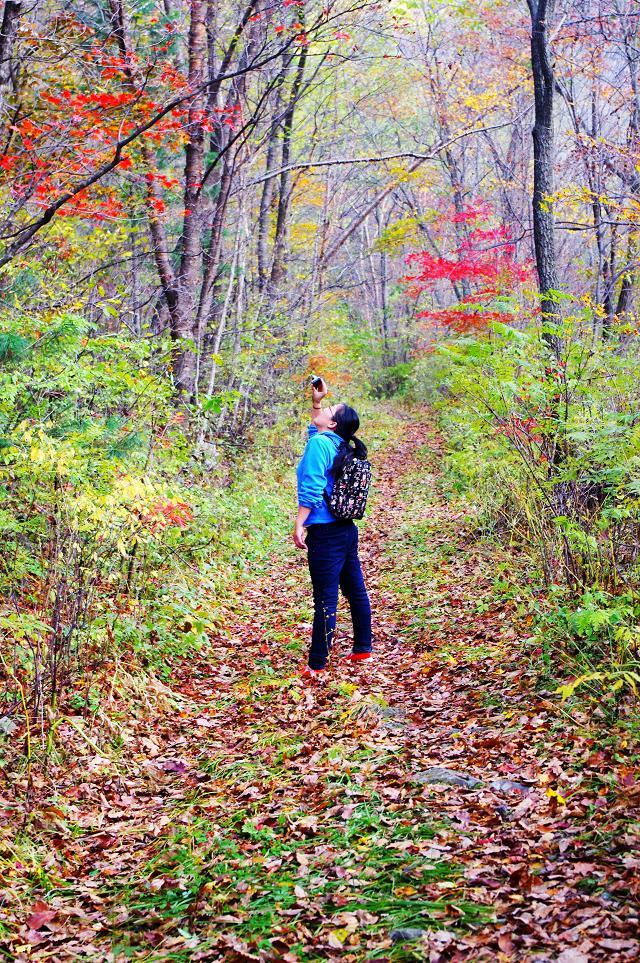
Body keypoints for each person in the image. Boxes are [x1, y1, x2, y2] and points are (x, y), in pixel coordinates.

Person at [294, 377, 373, 679]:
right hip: (346, 529)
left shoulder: (319, 444)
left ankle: (317, 664)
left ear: (334, 423)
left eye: (330, 408)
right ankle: (363, 649)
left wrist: (300, 523)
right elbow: (315, 427)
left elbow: (312, 489)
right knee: (355, 590)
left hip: (325, 533)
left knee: (325, 598)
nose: (325, 407)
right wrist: (317, 401)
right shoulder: (338, 443)